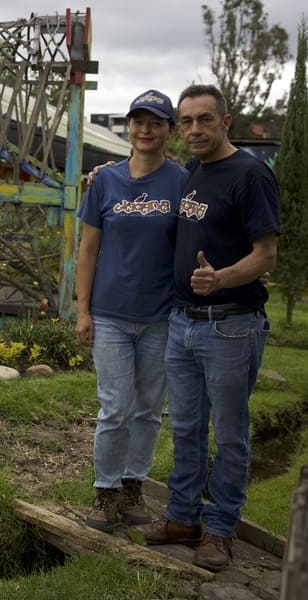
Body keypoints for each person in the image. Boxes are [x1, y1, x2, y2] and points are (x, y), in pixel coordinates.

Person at [133, 84, 280, 572]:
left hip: (231, 325)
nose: (195, 129)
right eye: (188, 120)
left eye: (205, 120)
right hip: (184, 322)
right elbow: (145, 178)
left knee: (231, 434)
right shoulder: (194, 171)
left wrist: (221, 279)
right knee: (188, 427)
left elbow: (266, 255)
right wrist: (104, 175)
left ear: (225, 121)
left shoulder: (251, 175)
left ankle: (220, 531)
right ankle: (182, 518)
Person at [75, 89, 186, 532]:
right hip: (111, 314)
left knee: (147, 409)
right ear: (129, 127)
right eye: (138, 122)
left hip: (162, 315)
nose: (145, 130)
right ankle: (105, 494)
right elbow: (87, 250)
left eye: (155, 122)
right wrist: (83, 310)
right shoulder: (105, 180)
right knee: (115, 407)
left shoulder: (182, 181)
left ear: (168, 131)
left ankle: (133, 485)